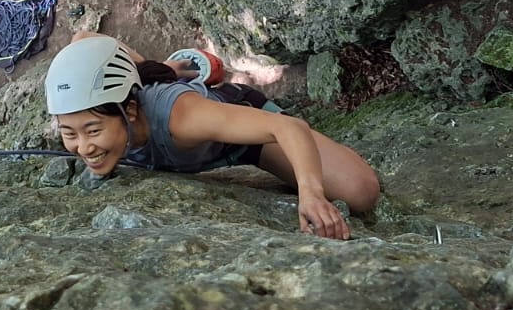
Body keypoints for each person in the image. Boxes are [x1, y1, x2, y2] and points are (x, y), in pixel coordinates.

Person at [45, 34, 380, 239]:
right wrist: (149, 67)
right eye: (69, 133)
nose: (83, 147)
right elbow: (83, 37)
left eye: (93, 130)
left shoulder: (181, 118)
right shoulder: (100, 112)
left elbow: (289, 128)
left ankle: (182, 77)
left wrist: (311, 193)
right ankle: (166, 69)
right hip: (178, 115)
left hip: (243, 138)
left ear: (129, 112)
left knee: (360, 192)